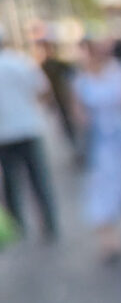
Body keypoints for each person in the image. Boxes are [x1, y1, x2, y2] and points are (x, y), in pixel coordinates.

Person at [72, 39, 121, 262]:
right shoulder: (81, 79)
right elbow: (78, 111)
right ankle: (108, 239)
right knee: (102, 185)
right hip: (101, 142)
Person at [0, 28, 58, 240]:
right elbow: (43, 91)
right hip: (28, 128)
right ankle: (50, 222)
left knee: (11, 183)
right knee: (39, 180)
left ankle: (18, 226)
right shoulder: (21, 62)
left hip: (4, 135)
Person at [39, 39, 80, 164]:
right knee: (67, 126)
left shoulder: (60, 64)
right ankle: (76, 148)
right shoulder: (44, 65)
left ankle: (79, 148)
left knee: (73, 125)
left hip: (66, 99)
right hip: (59, 102)